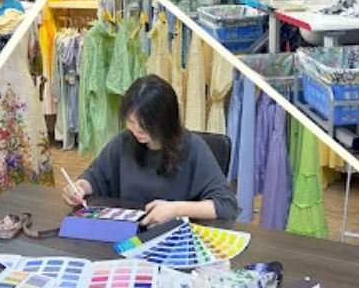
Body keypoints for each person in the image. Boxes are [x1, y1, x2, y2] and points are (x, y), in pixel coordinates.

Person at [62, 75, 238, 226]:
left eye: (145, 126)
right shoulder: (124, 141)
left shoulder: (193, 148)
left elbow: (226, 205)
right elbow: (96, 177)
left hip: (174, 240)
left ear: (165, 121)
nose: (136, 131)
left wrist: (175, 209)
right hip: (127, 235)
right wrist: (79, 188)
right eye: (131, 122)